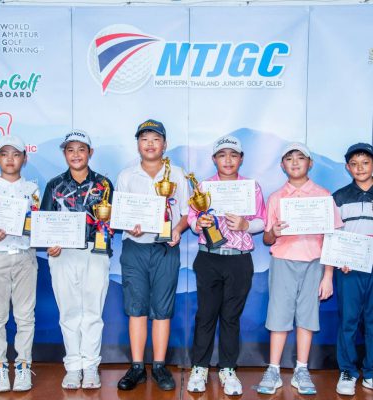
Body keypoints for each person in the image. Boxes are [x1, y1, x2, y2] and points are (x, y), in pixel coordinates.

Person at [257, 142, 342, 395]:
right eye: (289, 158)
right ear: (282, 165)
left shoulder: (323, 195)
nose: (295, 163)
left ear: (310, 163)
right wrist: (273, 232)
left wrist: (328, 275)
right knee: (278, 316)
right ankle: (273, 369)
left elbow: (331, 237)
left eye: (300, 158)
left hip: (314, 263)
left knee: (307, 316)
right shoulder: (276, 197)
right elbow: (267, 239)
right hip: (283, 261)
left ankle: (301, 370)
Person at [186, 135, 266, 396]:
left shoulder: (251, 187)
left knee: (231, 316)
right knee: (206, 314)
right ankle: (199, 367)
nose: (228, 160)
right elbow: (192, 219)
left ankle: (228, 369)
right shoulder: (204, 187)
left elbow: (262, 221)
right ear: (214, 159)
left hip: (239, 259)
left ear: (241, 159)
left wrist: (246, 225)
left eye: (233, 155)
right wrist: (199, 224)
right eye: (222, 155)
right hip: (209, 257)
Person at [116, 119, 189, 391]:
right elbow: (120, 213)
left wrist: (177, 230)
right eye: (144, 139)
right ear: (138, 144)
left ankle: (159, 366)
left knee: (162, 309)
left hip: (165, 249)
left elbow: (186, 213)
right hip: (135, 247)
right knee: (136, 308)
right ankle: (137, 367)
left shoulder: (177, 174)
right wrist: (129, 226)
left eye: (155, 139)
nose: (150, 144)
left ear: (164, 144)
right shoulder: (126, 176)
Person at [40, 130, 113, 390]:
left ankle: (91, 365)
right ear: (64, 154)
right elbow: (44, 222)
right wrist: (50, 243)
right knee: (69, 312)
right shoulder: (54, 185)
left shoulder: (104, 184)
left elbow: (113, 221)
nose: (76, 155)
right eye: (70, 150)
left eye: (81, 149)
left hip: (95, 251)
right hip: (63, 254)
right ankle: (73, 366)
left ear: (90, 153)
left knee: (92, 312)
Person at [0, 135, 39, 392]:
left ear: (24, 158)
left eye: (16, 154)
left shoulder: (33, 190)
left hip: (25, 257)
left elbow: (39, 224)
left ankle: (23, 365)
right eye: (4, 154)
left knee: (25, 316)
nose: (10, 159)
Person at [333, 143, 373, 396]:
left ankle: (370, 372)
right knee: (348, 321)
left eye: (365, 162)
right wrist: (340, 258)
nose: (360, 168)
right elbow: (333, 234)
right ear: (348, 168)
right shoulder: (339, 197)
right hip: (350, 268)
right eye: (354, 164)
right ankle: (347, 371)